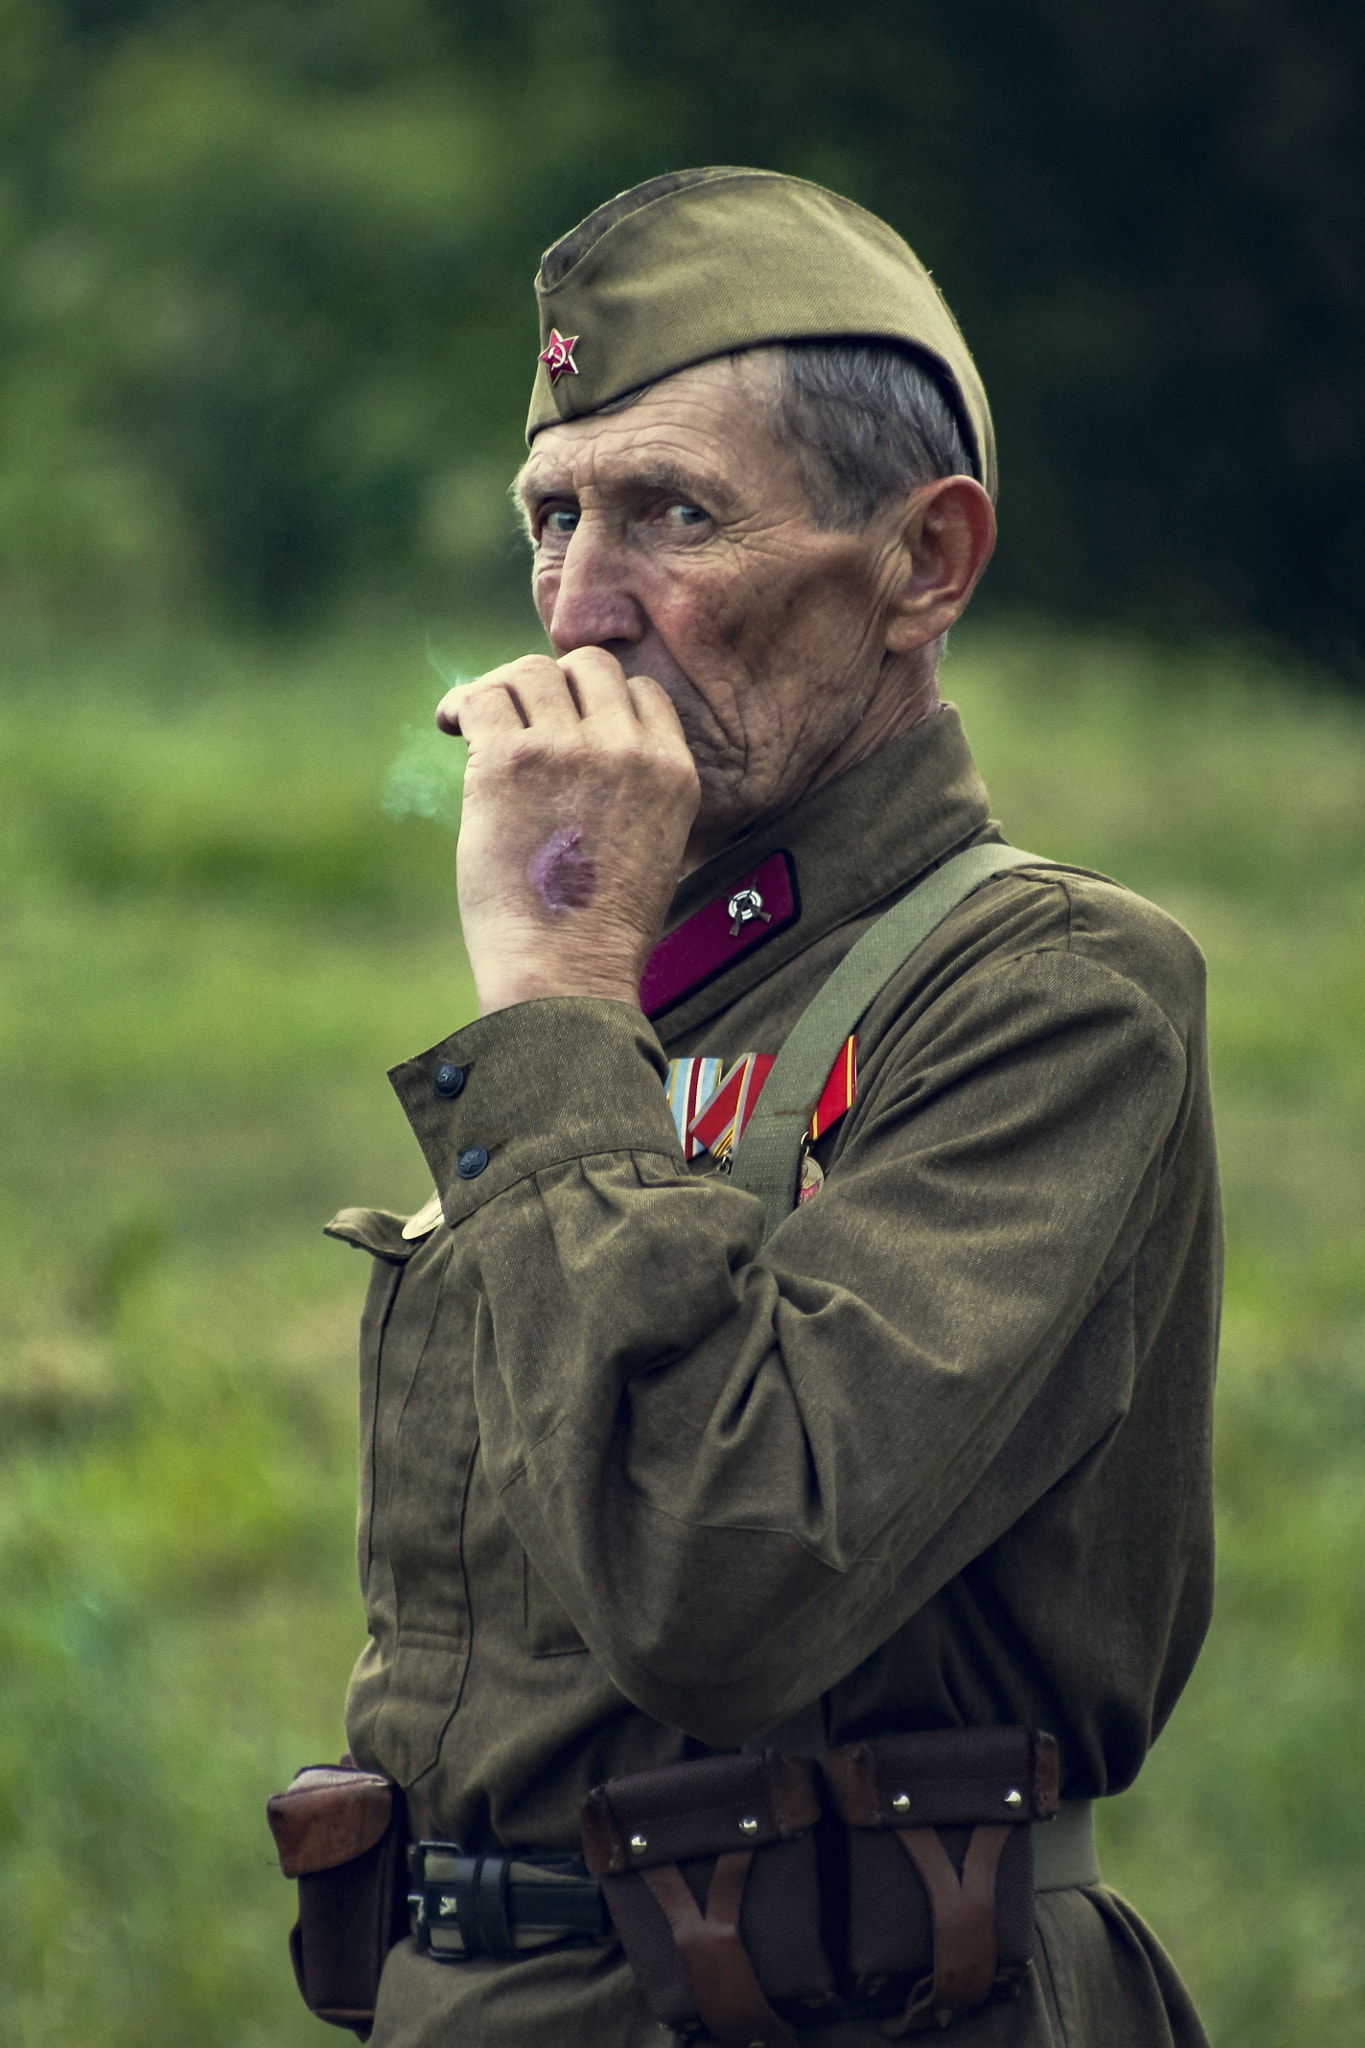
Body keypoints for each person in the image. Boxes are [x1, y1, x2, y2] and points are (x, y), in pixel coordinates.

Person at [324, 168, 1220, 2046]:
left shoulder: (1046, 991)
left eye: (672, 515)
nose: (577, 608)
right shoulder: (653, 986)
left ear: (924, 563)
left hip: (863, 2006)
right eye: (550, 519)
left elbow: (719, 1592)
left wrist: (559, 997)